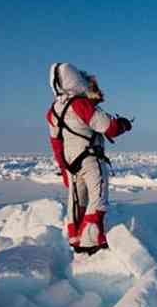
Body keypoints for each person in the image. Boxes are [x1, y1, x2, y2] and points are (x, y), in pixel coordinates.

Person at [45, 62, 132, 255]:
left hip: (71, 163)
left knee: (77, 200)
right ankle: (92, 240)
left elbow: (56, 143)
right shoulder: (80, 104)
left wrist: (64, 170)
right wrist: (124, 124)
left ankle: (76, 239)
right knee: (98, 198)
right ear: (74, 80)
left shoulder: (54, 111)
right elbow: (109, 127)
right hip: (91, 159)